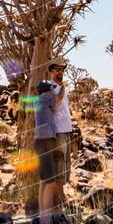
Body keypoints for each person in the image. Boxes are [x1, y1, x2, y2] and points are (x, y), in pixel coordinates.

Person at [33, 79, 64, 224]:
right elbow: (59, 97)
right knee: (51, 182)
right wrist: (61, 87)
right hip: (45, 142)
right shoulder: (46, 97)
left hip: (40, 141)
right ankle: (46, 223)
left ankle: (42, 218)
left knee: (44, 181)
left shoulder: (39, 100)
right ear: (47, 90)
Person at [47, 58, 72, 207]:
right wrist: (62, 91)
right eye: (57, 69)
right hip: (57, 132)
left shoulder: (60, 86)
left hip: (66, 130)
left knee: (65, 163)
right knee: (59, 163)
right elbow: (53, 104)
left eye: (62, 69)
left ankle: (61, 195)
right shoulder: (50, 87)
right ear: (51, 71)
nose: (60, 72)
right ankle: (58, 197)